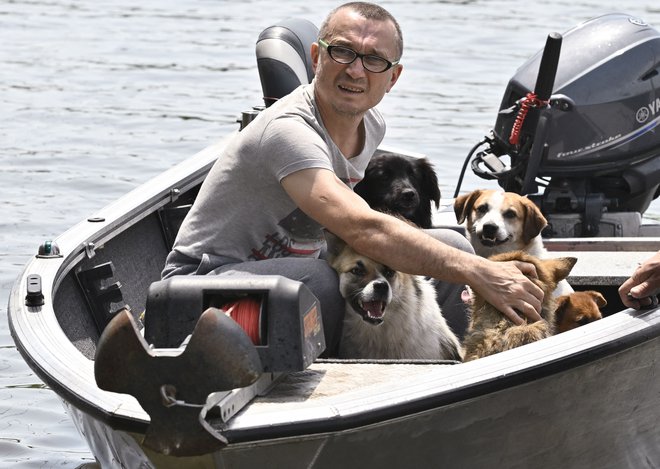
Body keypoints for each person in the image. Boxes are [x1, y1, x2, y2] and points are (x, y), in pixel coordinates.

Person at [162, 1, 544, 355]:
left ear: (393, 78)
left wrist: (468, 266)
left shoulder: (370, 125)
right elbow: (361, 229)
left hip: (291, 274)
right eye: (342, 51)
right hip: (204, 296)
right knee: (320, 284)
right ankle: (330, 386)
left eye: (375, 60)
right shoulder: (289, 131)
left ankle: (473, 362)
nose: (356, 70)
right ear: (316, 57)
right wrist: (484, 272)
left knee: (452, 244)